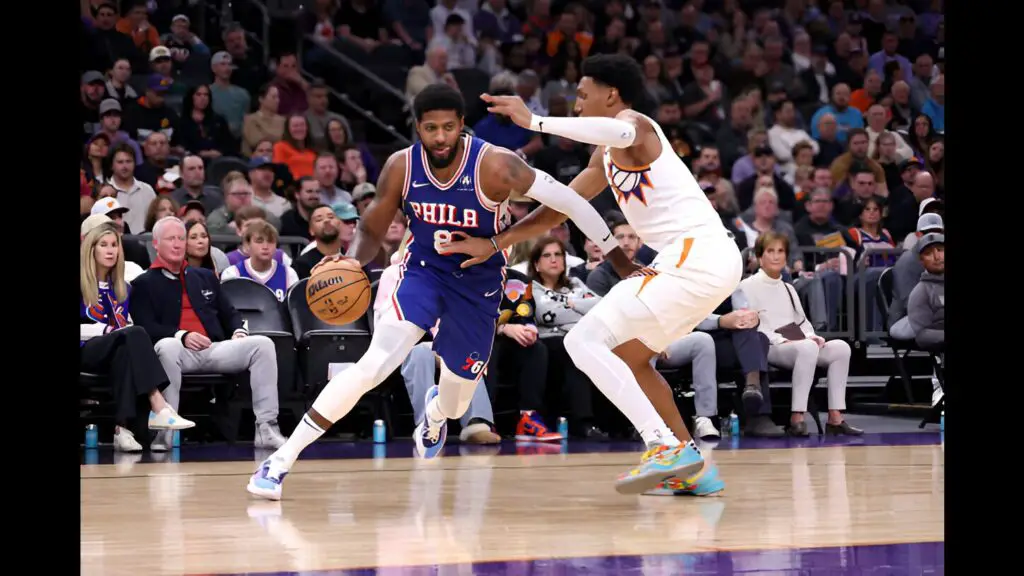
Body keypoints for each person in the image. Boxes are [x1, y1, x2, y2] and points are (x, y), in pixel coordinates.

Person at [247, 83, 654, 501]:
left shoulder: (497, 166)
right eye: (429, 128)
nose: (439, 137)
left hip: (478, 285)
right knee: (375, 364)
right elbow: (372, 225)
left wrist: (617, 261)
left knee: (458, 402)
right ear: (417, 129)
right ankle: (280, 462)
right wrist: (353, 259)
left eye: (447, 127)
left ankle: (436, 413)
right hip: (422, 271)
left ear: (462, 125)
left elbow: (570, 202)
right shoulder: (401, 167)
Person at [443, 54, 743, 497]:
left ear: (611, 94)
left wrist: (536, 121)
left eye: (583, 96)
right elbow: (561, 207)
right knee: (632, 357)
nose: (577, 105)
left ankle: (662, 446)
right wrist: (495, 242)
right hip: (697, 263)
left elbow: (617, 130)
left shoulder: (635, 126)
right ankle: (691, 466)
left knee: (580, 340)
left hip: (697, 254)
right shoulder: (604, 158)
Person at [130, 216, 287, 450]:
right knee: (166, 346)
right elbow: (145, 327)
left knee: (262, 344)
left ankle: (266, 428)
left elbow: (229, 312)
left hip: (214, 349)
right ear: (155, 244)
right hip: (178, 351)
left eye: (181, 238)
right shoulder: (143, 283)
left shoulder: (203, 276)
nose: (177, 244)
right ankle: (165, 432)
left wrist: (238, 332)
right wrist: (181, 335)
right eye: (170, 239)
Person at [80, 222, 195, 452]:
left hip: (114, 350)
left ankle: (121, 430)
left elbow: (127, 328)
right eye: (104, 245)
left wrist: (120, 333)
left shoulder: (123, 288)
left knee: (126, 350)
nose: (111, 250)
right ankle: (159, 405)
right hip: (86, 351)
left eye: (114, 245)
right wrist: (107, 330)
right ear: (91, 249)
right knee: (132, 334)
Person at [739, 232, 863, 437]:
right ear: (760, 256)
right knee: (806, 347)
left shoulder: (788, 287)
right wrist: (789, 339)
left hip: (795, 342)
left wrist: (811, 336)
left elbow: (801, 321)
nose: (776, 256)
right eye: (770, 251)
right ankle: (797, 418)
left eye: (780, 251)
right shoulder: (747, 287)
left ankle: (835, 418)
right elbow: (755, 328)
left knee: (841, 348)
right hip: (769, 346)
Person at [220, 220, 300, 301]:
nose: (265, 246)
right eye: (259, 241)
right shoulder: (232, 274)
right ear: (247, 245)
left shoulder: (289, 274)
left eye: (270, 241)